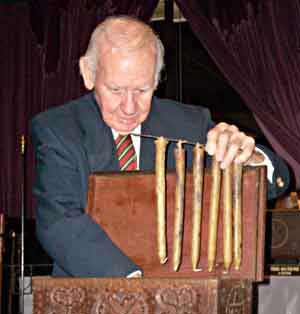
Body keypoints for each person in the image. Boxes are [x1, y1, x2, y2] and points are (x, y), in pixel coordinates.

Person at [31, 15, 289, 278]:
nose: (129, 108)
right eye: (116, 90)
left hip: (184, 299)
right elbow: (59, 220)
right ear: (88, 73)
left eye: (142, 90)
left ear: (157, 80)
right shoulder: (59, 129)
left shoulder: (187, 124)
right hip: (90, 297)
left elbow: (270, 183)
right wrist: (132, 281)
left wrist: (250, 157)